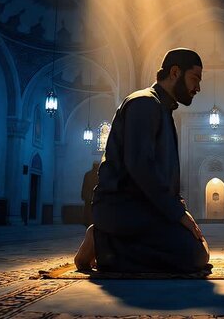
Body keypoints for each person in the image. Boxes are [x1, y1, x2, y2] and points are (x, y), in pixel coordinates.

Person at [74, 48, 210, 273]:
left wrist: (180, 210)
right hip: (122, 209)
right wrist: (176, 214)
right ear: (175, 72)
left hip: (146, 208)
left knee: (196, 247)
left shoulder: (162, 109)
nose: (197, 88)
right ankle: (100, 242)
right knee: (193, 255)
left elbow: (163, 176)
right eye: (194, 79)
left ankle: (110, 245)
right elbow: (140, 166)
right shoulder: (144, 103)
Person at [81, 161, 100, 227]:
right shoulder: (99, 175)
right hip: (95, 198)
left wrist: (83, 195)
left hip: (89, 197)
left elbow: (84, 186)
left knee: (88, 214)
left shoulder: (88, 174)